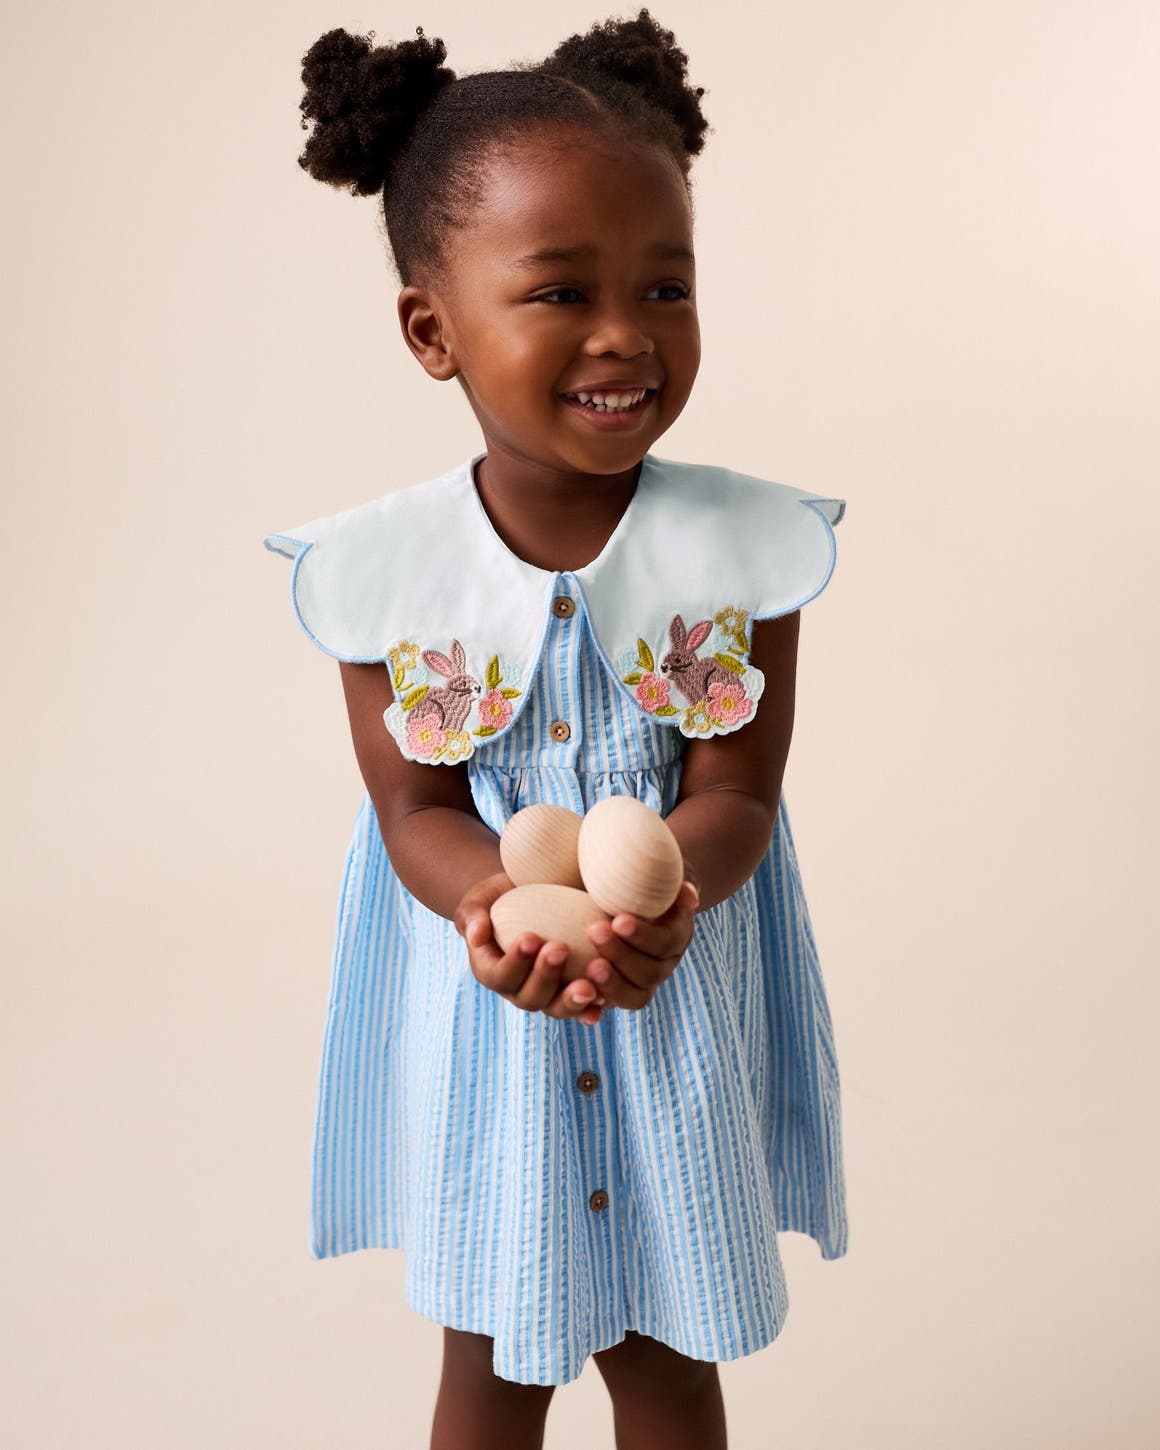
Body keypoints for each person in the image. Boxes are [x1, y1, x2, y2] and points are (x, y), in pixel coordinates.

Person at [263, 12, 849, 1448]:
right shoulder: (390, 577)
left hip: (670, 991)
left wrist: (665, 903)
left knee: (664, 1357)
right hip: (496, 1012)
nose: (623, 335)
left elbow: (741, 793)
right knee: (498, 1355)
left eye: (666, 285)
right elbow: (419, 809)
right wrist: (501, 908)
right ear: (432, 328)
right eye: (560, 290)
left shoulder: (744, 550)